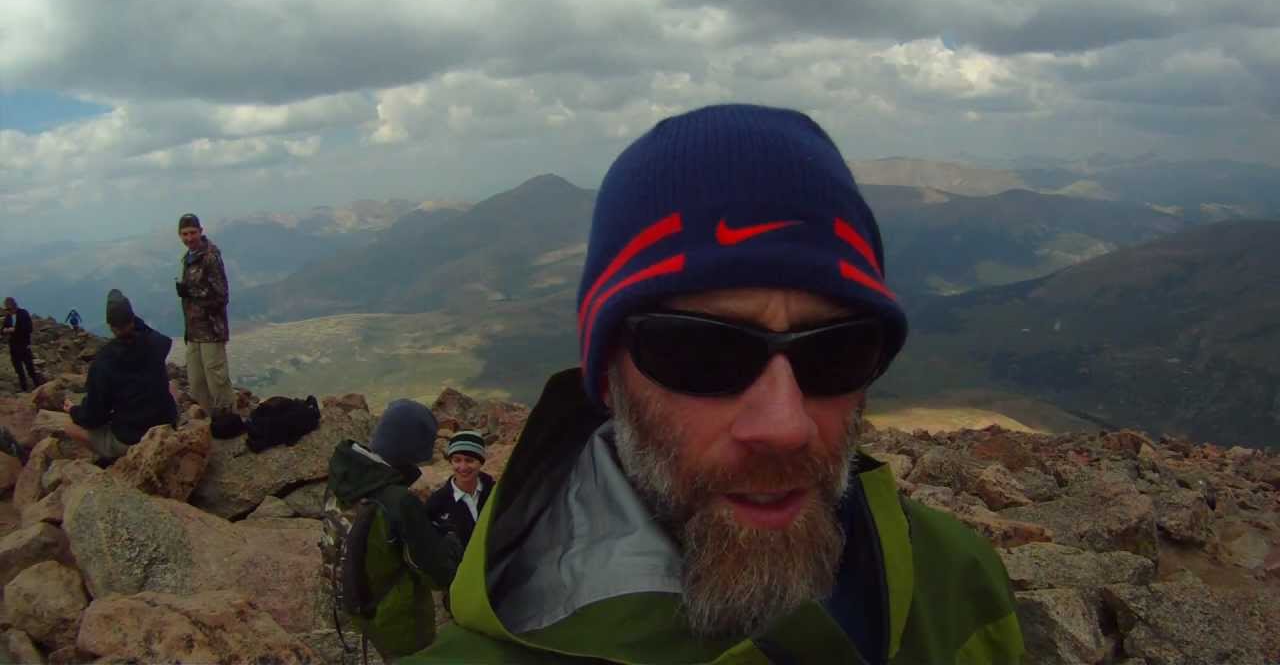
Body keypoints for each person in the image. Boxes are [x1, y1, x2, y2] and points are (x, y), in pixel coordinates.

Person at [402, 105, 1025, 664]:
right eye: (700, 353)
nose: (785, 425)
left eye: (837, 352)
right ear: (610, 379)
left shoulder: (958, 583)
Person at [323, 399, 458, 661]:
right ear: (411, 449)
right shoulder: (398, 500)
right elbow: (438, 574)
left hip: (356, 606)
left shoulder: (345, 478)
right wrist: (449, 541)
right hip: (399, 621)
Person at [61, 290, 177, 462]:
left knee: (69, 427)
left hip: (131, 438)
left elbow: (93, 417)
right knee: (172, 387)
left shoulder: (103, 362)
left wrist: (74, 410)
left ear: (110, 326)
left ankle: (114, 458)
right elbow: (151, 334)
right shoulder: (156, 342)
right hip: (166, 424)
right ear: (133, 319)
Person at [175, 213, 235, 418]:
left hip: (211, 329)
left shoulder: (210, 257)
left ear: (201, 231)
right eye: (185, 234)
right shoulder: (188, 258)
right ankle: (211, 421)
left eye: (192, 233)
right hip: (193, 331)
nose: (189, 238)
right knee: (197, 383)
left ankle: (228, 421)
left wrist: (191, 292)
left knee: (217, 380)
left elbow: (221, 295)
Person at [423, 431, 494, 550]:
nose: (463, 467)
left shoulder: (495, 493)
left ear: (481, 462)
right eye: (457, 460)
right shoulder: (436, 503)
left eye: (470, 460)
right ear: (451, 462)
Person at [2, 297, 42, 392]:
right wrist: (5, 330)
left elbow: (28, 328)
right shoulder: (8, 317)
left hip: (24, 344)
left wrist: (15, 330)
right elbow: (3, 329)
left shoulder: (23, 313)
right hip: (13, 346)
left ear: (13, 305)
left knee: (29, 367)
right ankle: (24, 389)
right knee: (19, 369)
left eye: (9, 307)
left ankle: (38, 387)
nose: (8, 310)